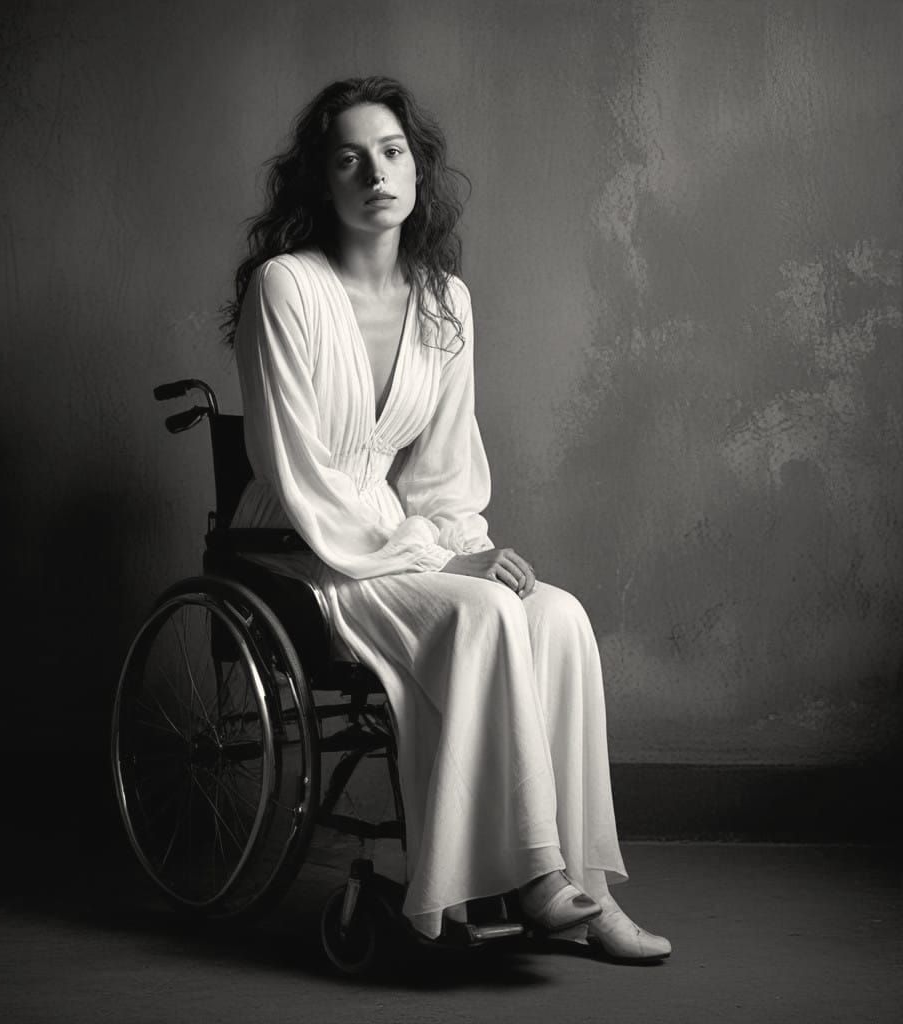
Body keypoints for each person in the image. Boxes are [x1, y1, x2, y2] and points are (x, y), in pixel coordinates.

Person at [222, 76, 670, 962]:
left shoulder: (443, 302)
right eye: (349, 158)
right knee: (486, 614)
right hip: (302, 544)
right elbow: (297, 468)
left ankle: (586, 880)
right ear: (320, 180)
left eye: (392, 153)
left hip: (399, 535)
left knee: (559, 616)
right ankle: (533, 878)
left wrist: (472, 546)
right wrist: (436, 557)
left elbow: (442, 469)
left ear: (418, 172)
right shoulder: (287, 289)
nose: (375, 173)